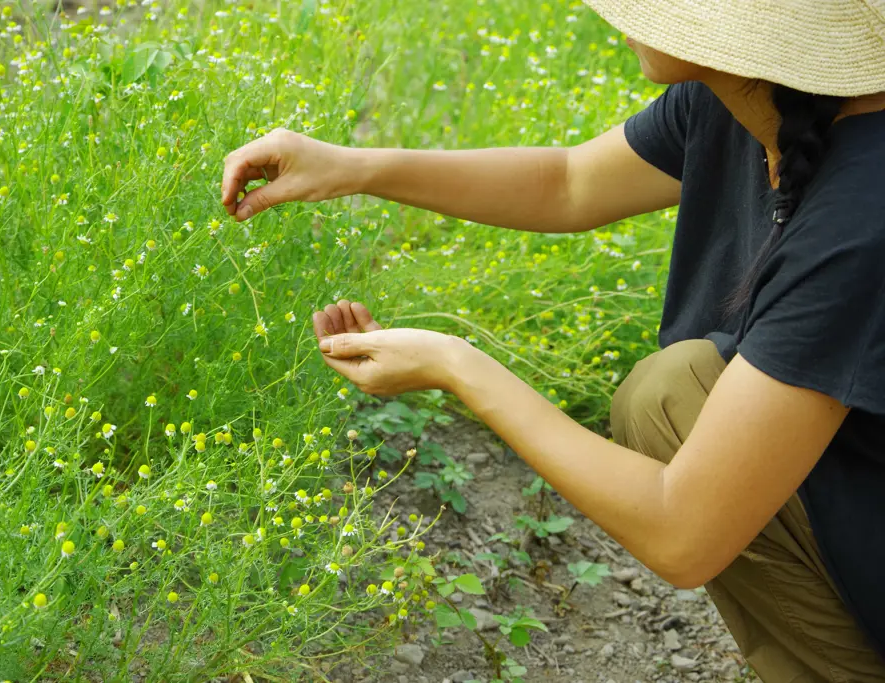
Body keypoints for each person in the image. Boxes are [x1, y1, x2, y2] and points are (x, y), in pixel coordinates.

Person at [221, 1, 885, 680]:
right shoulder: (746, 101)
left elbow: (681, 534)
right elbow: (569, 182)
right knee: (671, 393)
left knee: (670, 397)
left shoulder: (860, 215)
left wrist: (457, 364)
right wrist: (350, 166)